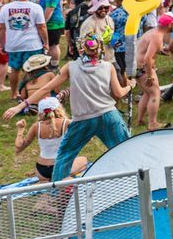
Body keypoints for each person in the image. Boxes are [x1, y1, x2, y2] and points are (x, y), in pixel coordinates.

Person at [52, 35, 133, 182]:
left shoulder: (71, 66)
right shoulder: (108, 66)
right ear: (100, 48)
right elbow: (119, 93)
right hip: (108, 115)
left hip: (82, 120)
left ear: (80, 49)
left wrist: (23, 104)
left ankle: (56, 195)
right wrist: (130, 85)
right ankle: (136, 183)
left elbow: (48, 87)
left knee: (65, 155)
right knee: (125, 150)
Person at [13, 95, 87, 183]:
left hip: (41, 170)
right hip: (59, 166)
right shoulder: (67, 123)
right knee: (84, 161)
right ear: (59, 108)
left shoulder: (36, 126)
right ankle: (61, 179)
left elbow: (19, 147)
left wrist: (20, 129)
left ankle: (49, 181)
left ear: (40, 112)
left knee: (47, 188)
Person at [131, 12, 173, 130]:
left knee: (147, 93)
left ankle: (140, 120)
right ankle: (153, 123)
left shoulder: (153, 32)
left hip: (136, 66)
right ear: (170, 24)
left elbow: (148, 49)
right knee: (155, 93)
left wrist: (161, 51)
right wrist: (150, 76)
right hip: (143, 68)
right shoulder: (157, 36)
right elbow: (147, 58)